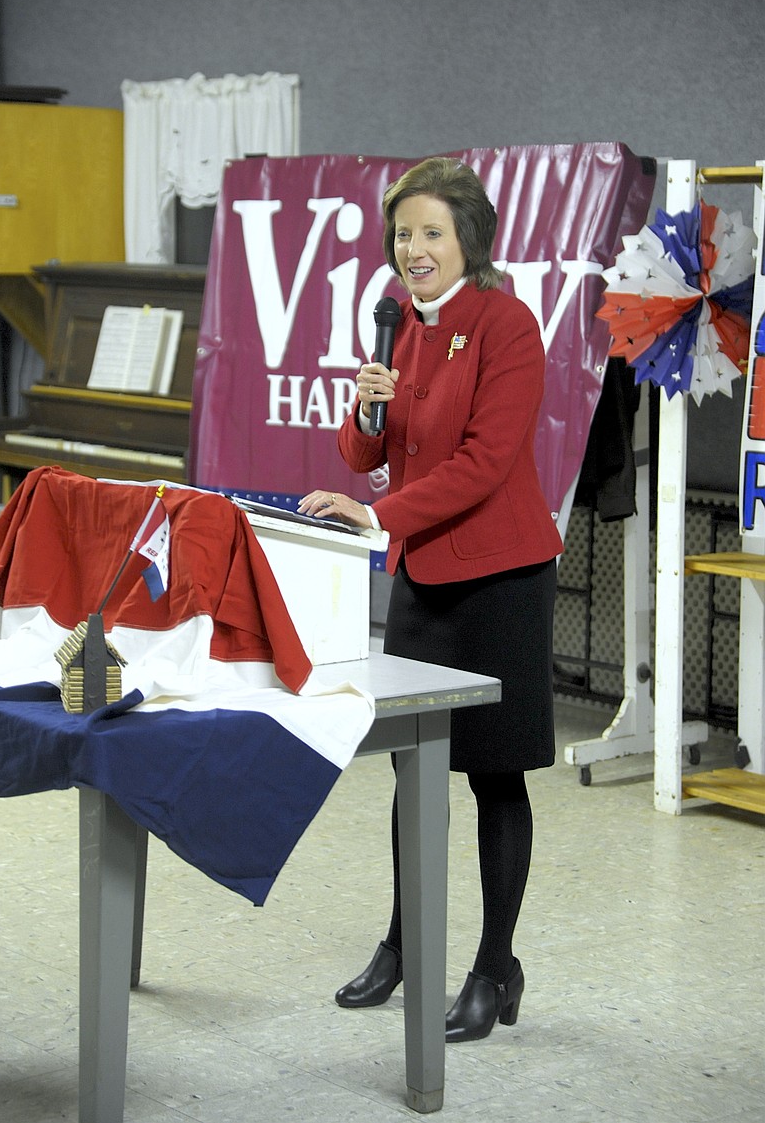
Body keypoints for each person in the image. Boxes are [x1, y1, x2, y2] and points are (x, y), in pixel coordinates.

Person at [297, 156, 563, 1043]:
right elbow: (360, 451)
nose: (414, 249)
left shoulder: (507, 325)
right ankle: (405, 945)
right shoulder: (400, 329)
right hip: (423, 578)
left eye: (431, 233)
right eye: (404, 234)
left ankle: (496, 966)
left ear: (469, 240)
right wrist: (370, 412)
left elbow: (484, 465)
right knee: (416, 774)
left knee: (494, 772)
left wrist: (376, 516)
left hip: (500, 578)